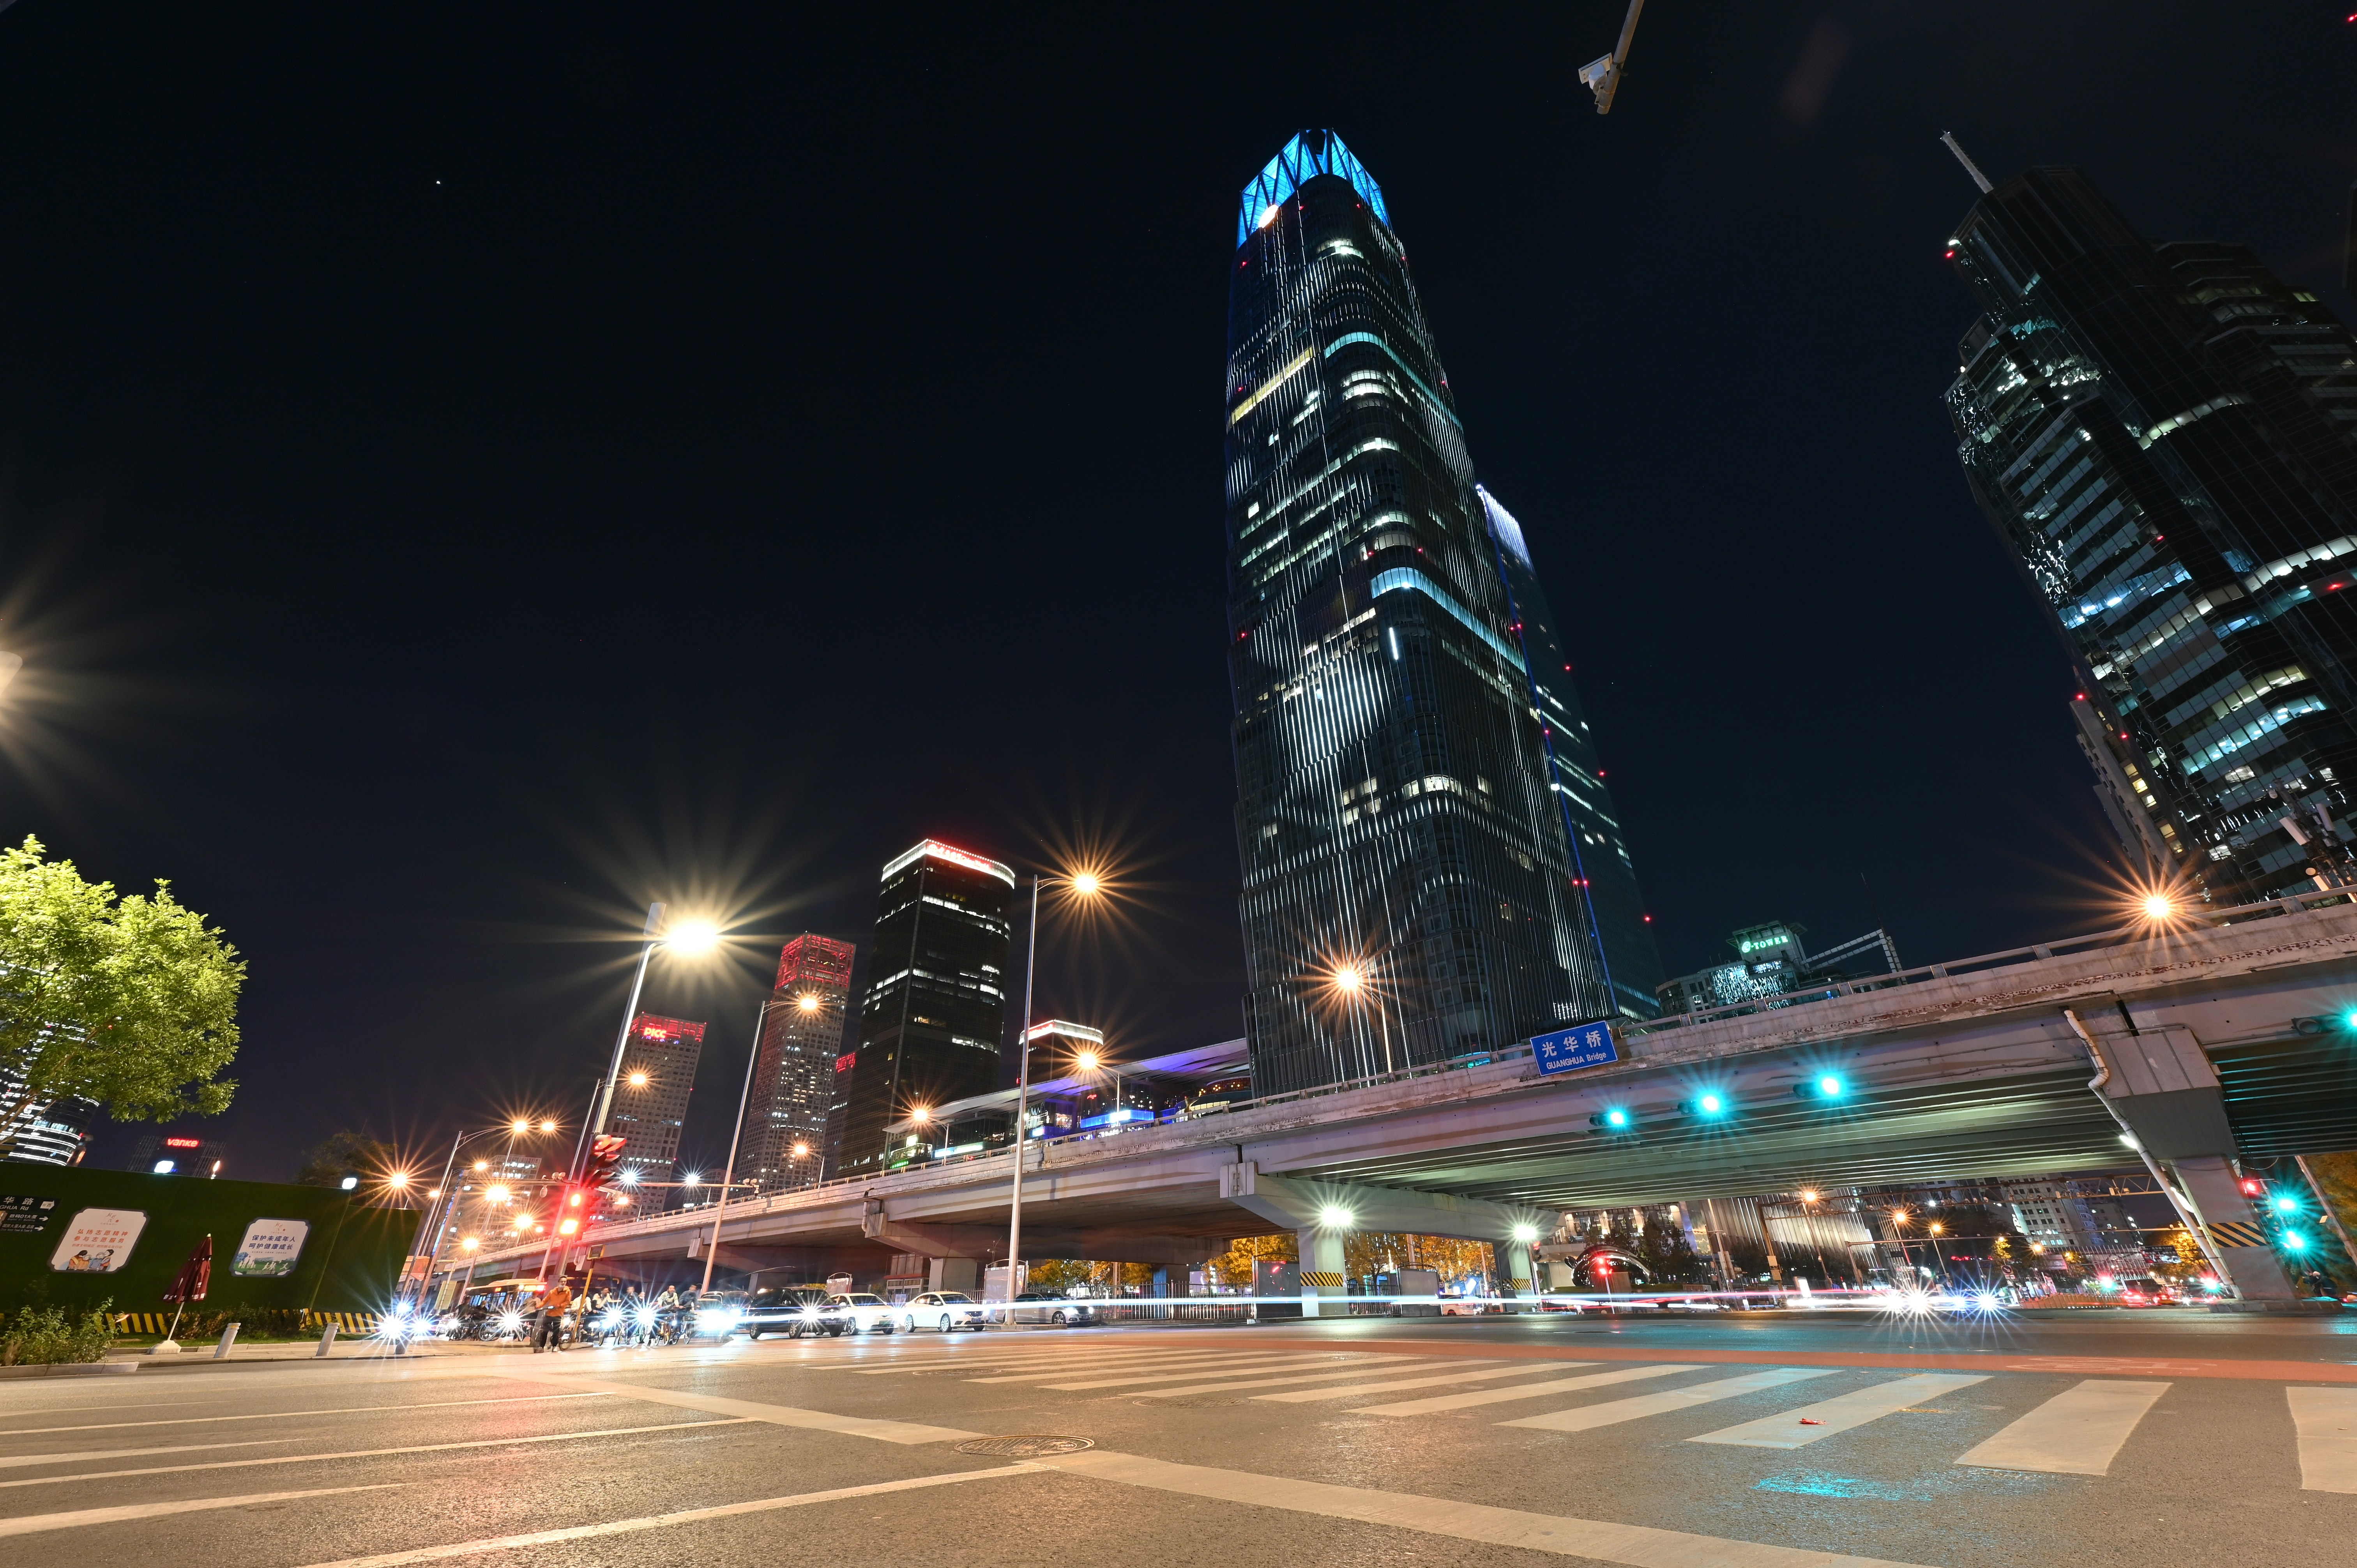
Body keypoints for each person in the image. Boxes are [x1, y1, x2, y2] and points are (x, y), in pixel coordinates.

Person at [532, 1280, 573, 1353]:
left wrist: (561, 1305)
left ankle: (554, 1346)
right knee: (544, 1330)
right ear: (558, 1282)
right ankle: (542, 1347)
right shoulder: (552, 1292)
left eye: (565, 1282)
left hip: (558, 1313)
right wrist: (539, 1306)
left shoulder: (567, 1292)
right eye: (562, 1281)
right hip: (550, 1313)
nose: (563, 1283)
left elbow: (568, 1301)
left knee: (556, 1331)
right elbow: (545, 1300)